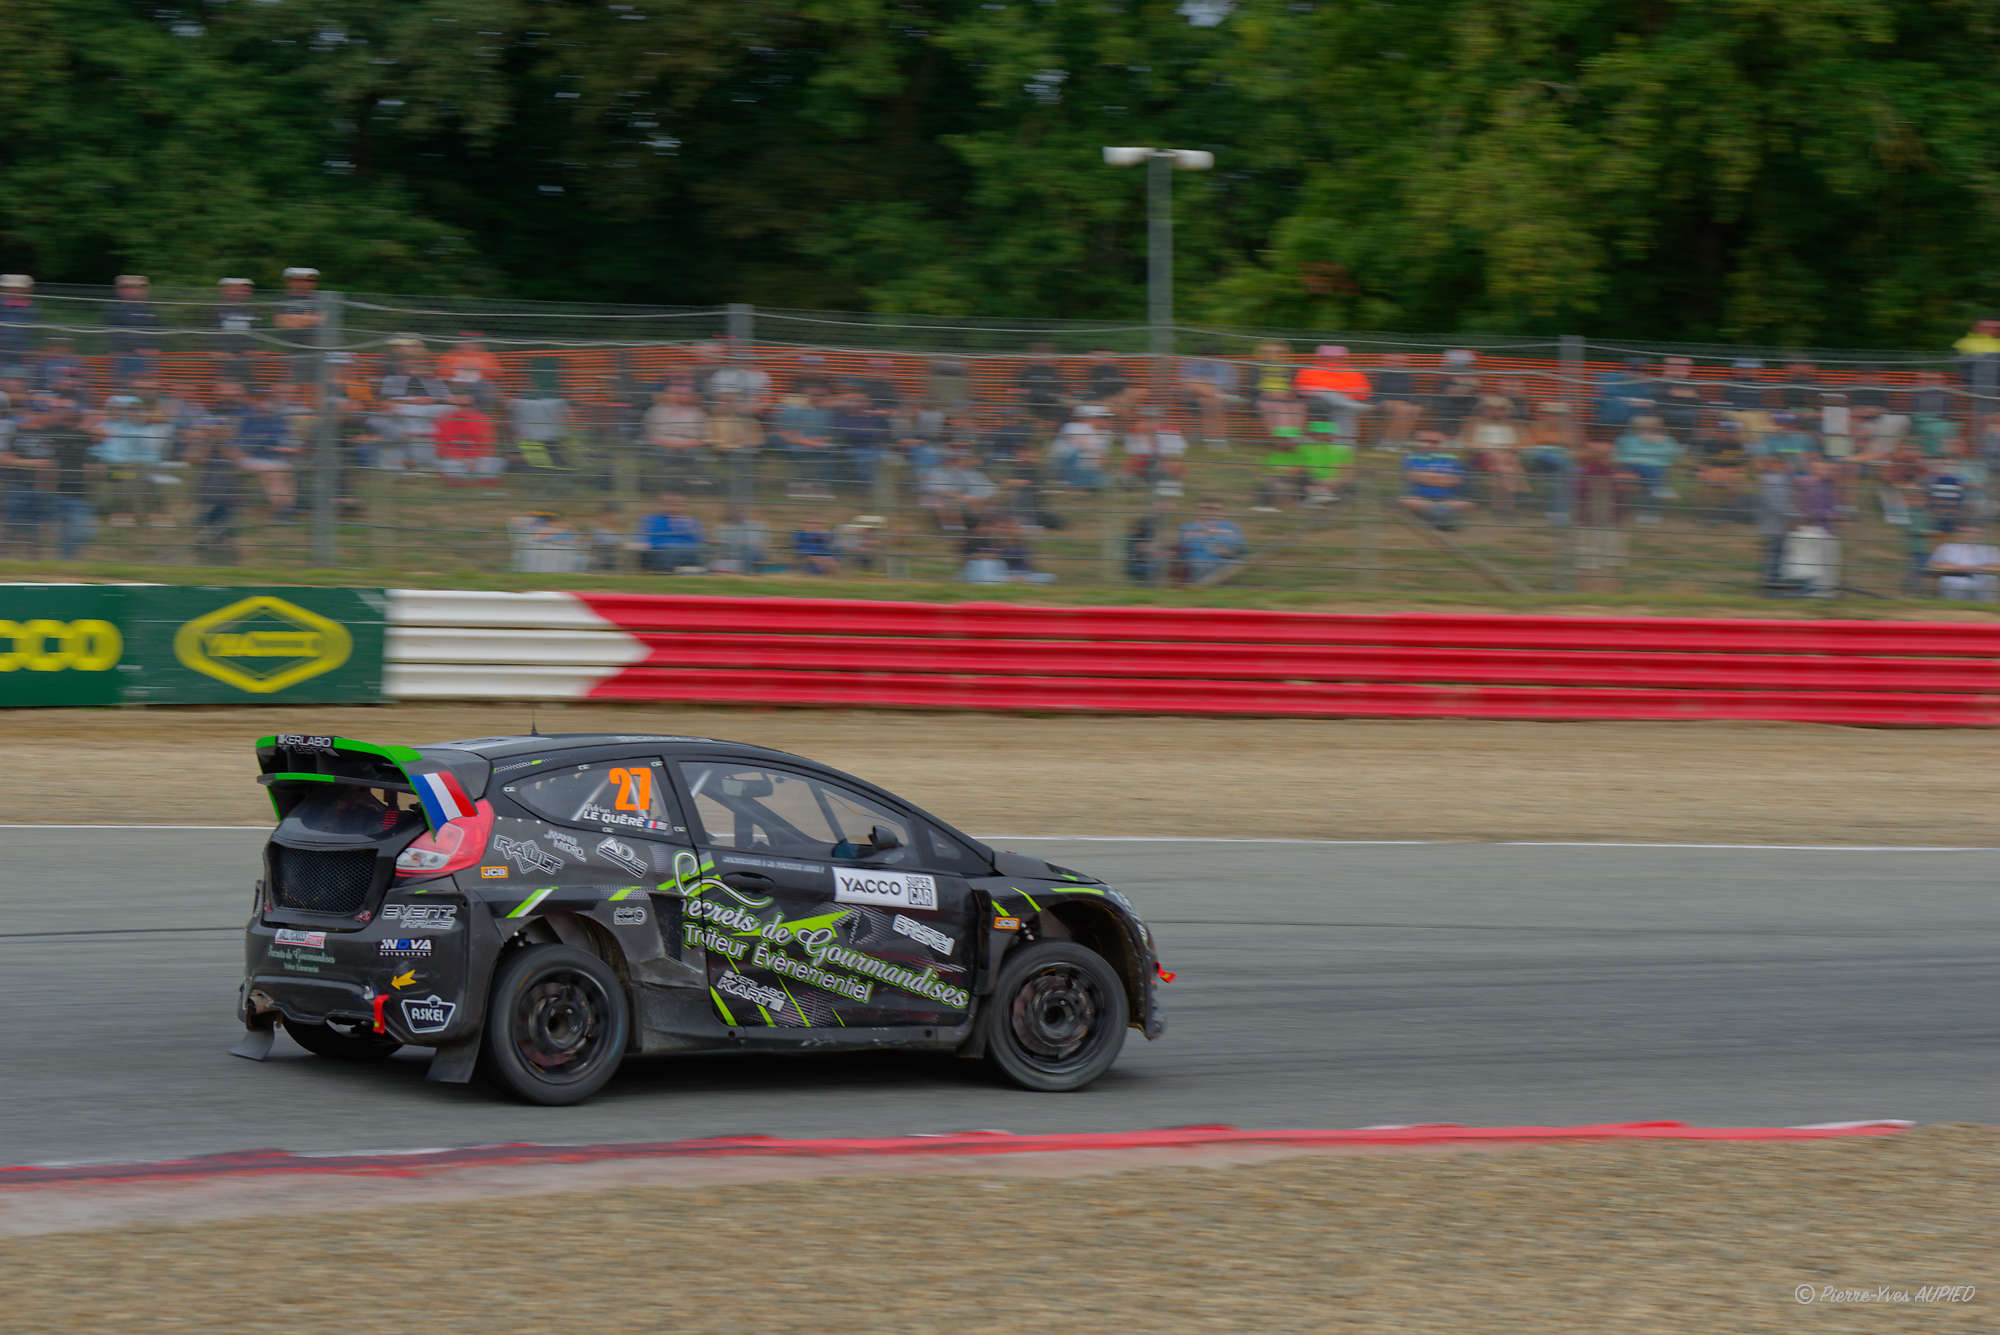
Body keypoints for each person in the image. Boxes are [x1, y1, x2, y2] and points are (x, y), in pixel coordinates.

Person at [1572, 438, 1627, 592]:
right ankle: (1589, 592)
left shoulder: (1614, 473)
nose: (1611, 457)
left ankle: (1608, 593)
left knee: (1609, 562)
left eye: (1610, 454)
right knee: (1589, 561)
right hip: (1590, 524)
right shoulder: (1586, 472)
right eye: (1607, 454)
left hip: (1608, 524)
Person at [1293, 345, 1371, 444]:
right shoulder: (1308, 371)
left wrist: (1341, 396)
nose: (1332, 360)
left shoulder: (1353, 373)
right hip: (1315, 403)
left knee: (1343, 408)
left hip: (1342, 405)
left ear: (1344, 358)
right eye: (1327, 357)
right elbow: (1300, 390)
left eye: (1337, 358)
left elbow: (1363, 393)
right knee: (1329, 396)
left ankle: (1342, 447)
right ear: (1320, 358)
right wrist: (1326, 392)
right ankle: (1351, 407)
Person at [1398, 430, 1473, 530]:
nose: (1430, 444)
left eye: (1435, 442)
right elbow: (1413, 477)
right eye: (1425, 441)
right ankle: (1443, 519)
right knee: (1408, 501)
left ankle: (1433, 517)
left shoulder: (1452, 459)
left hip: (1448, 499)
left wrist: (1427, 477)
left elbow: (1456, 480)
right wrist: (1442, 478)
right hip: (1419, 498)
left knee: (1466, 504)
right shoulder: (1410, 458)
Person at [1613, 414, 1681, 522]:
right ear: (1635, 429)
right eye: (1642, 429)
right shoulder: (1628, 439)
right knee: (1651, 473)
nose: (1648, 432)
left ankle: (1650, 513)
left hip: (1655, 470)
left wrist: (1663, 443)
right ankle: (1660, 488)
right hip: (1631, 467)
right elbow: (1620, 455)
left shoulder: (1666, 440)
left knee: (1649, 482)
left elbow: (1677, 454)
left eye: (1653, 429)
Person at [433, 392, 503, 483]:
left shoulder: (482, 420)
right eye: (455, 405)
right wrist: (461, 459)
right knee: (447, 465)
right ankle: (467, 477)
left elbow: (488, 447)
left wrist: (474, 460)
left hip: (476, 460)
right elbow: (441, 449)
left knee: (495, 462)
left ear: (473, 406)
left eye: (465, 405)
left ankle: (476, 477)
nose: (460, 408)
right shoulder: (443, 419)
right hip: (454, 460)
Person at [1177, 346, 1238, 448]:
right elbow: (1184, 383)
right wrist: (1204, 383)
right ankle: (1217, 441)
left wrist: (1206, 384)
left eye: (1211, 357)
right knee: (1196, 385)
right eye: (1204, 357)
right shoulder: (1188, 364)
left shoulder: (1225, 366)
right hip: (1193, 396)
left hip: (1213, 397)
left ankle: (1214, 440)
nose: (1207, 360)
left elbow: (1230, 385)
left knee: (1209, 401)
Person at [1176, 497, 1247, 582]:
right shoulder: (1187, 527)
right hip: (1198, 564)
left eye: (1214, 509)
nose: (1209, 512)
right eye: (1204, 508)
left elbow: (1240, 549)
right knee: (1199, 565)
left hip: (1224, 565)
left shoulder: (1231, 527)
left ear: (1221, 511)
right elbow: (1182, 551)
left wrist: (1227, 551)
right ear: (1197, 511)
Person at [637, 494, 707, 572]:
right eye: (668, 504)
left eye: (677, 505)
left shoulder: (692, 521)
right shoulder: (651, 520)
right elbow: (641, 541)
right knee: (667, 557)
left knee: (700, 557)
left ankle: (689, 571)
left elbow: (700, 541)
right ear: (660, 505)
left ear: (684, 506)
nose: (673, 508)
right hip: (661, 554)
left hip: (690, 554)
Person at [1927, 527, 2000, 601]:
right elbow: (1935, 565)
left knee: (1988, 586)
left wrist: (1977, 569)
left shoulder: (1991, 549)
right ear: (1959, 533)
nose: (1971, 535)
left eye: (1975, 532)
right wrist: (1959, 568)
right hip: (1954, 584)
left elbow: (1997, 567)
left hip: (1983, 585)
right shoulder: (1946, 547)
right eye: (1966, 532)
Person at [0, 274, 39, 376]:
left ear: (27, 290)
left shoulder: (32, 307)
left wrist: (27, 352)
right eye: (11, 288)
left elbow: (32, 333)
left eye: (18, 288)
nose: (14, 291)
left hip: (21, 352)